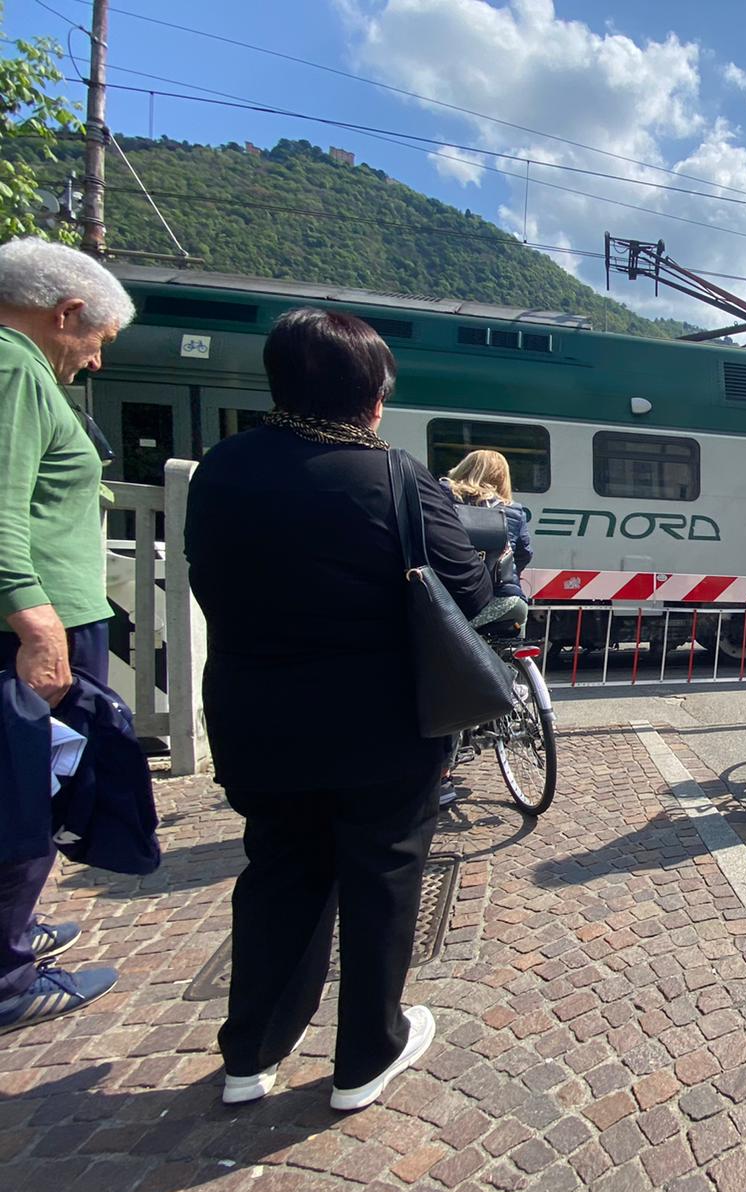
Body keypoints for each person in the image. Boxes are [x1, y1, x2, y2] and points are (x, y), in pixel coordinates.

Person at [185, 308, 492, 1110]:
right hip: (380, 719)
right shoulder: (394, 474)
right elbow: (471, 591)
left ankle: (250, 1055)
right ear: (371, 395)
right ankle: (364, 1058)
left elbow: (205, 580)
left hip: (257, 714)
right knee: (383, 873)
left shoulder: (222, 467)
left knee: (280, 869)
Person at [0, 237, 134, 1034]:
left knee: (34, 786)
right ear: (67, 312)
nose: (93, 362)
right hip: (38, 623)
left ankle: (13, 934)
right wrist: (34, 617)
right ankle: (10, 976)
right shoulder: (16, 367)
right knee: (24, 792)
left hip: (43, 617)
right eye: (97, 343)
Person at [444, 448, 532, 630]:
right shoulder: (514, 511)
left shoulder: (443, 497)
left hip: (456, 600)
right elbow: (524, 554)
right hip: (508, 600)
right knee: (514, 638)